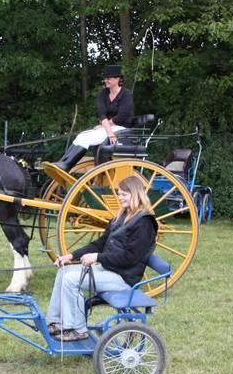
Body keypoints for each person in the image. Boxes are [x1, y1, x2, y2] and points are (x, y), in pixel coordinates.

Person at [46, 176, 157, 341]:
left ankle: (78, 329)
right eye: (119, 194)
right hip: (109, 270)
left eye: (124, 194)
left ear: (135, 194)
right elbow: (100, 243)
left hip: (123, 278)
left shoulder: (144, 223)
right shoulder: (121, 217)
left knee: (71, 280)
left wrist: (98, 257)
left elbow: (130, 258)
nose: (120, 198)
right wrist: (70, 256)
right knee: (65, 271)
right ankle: (57, 321)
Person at [52, 64, 135, 172]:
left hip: (121, 128)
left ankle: (66, 165)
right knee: (82, 136)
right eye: (105, 78)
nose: (106, 80)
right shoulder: (103, 93)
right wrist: (104, 126)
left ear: (117, 79)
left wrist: (109, 132)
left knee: (87, 138)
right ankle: (64, 162)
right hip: (107, 126)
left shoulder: (126, 95)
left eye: (108, 78)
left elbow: (121, 117)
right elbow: (102, 114)